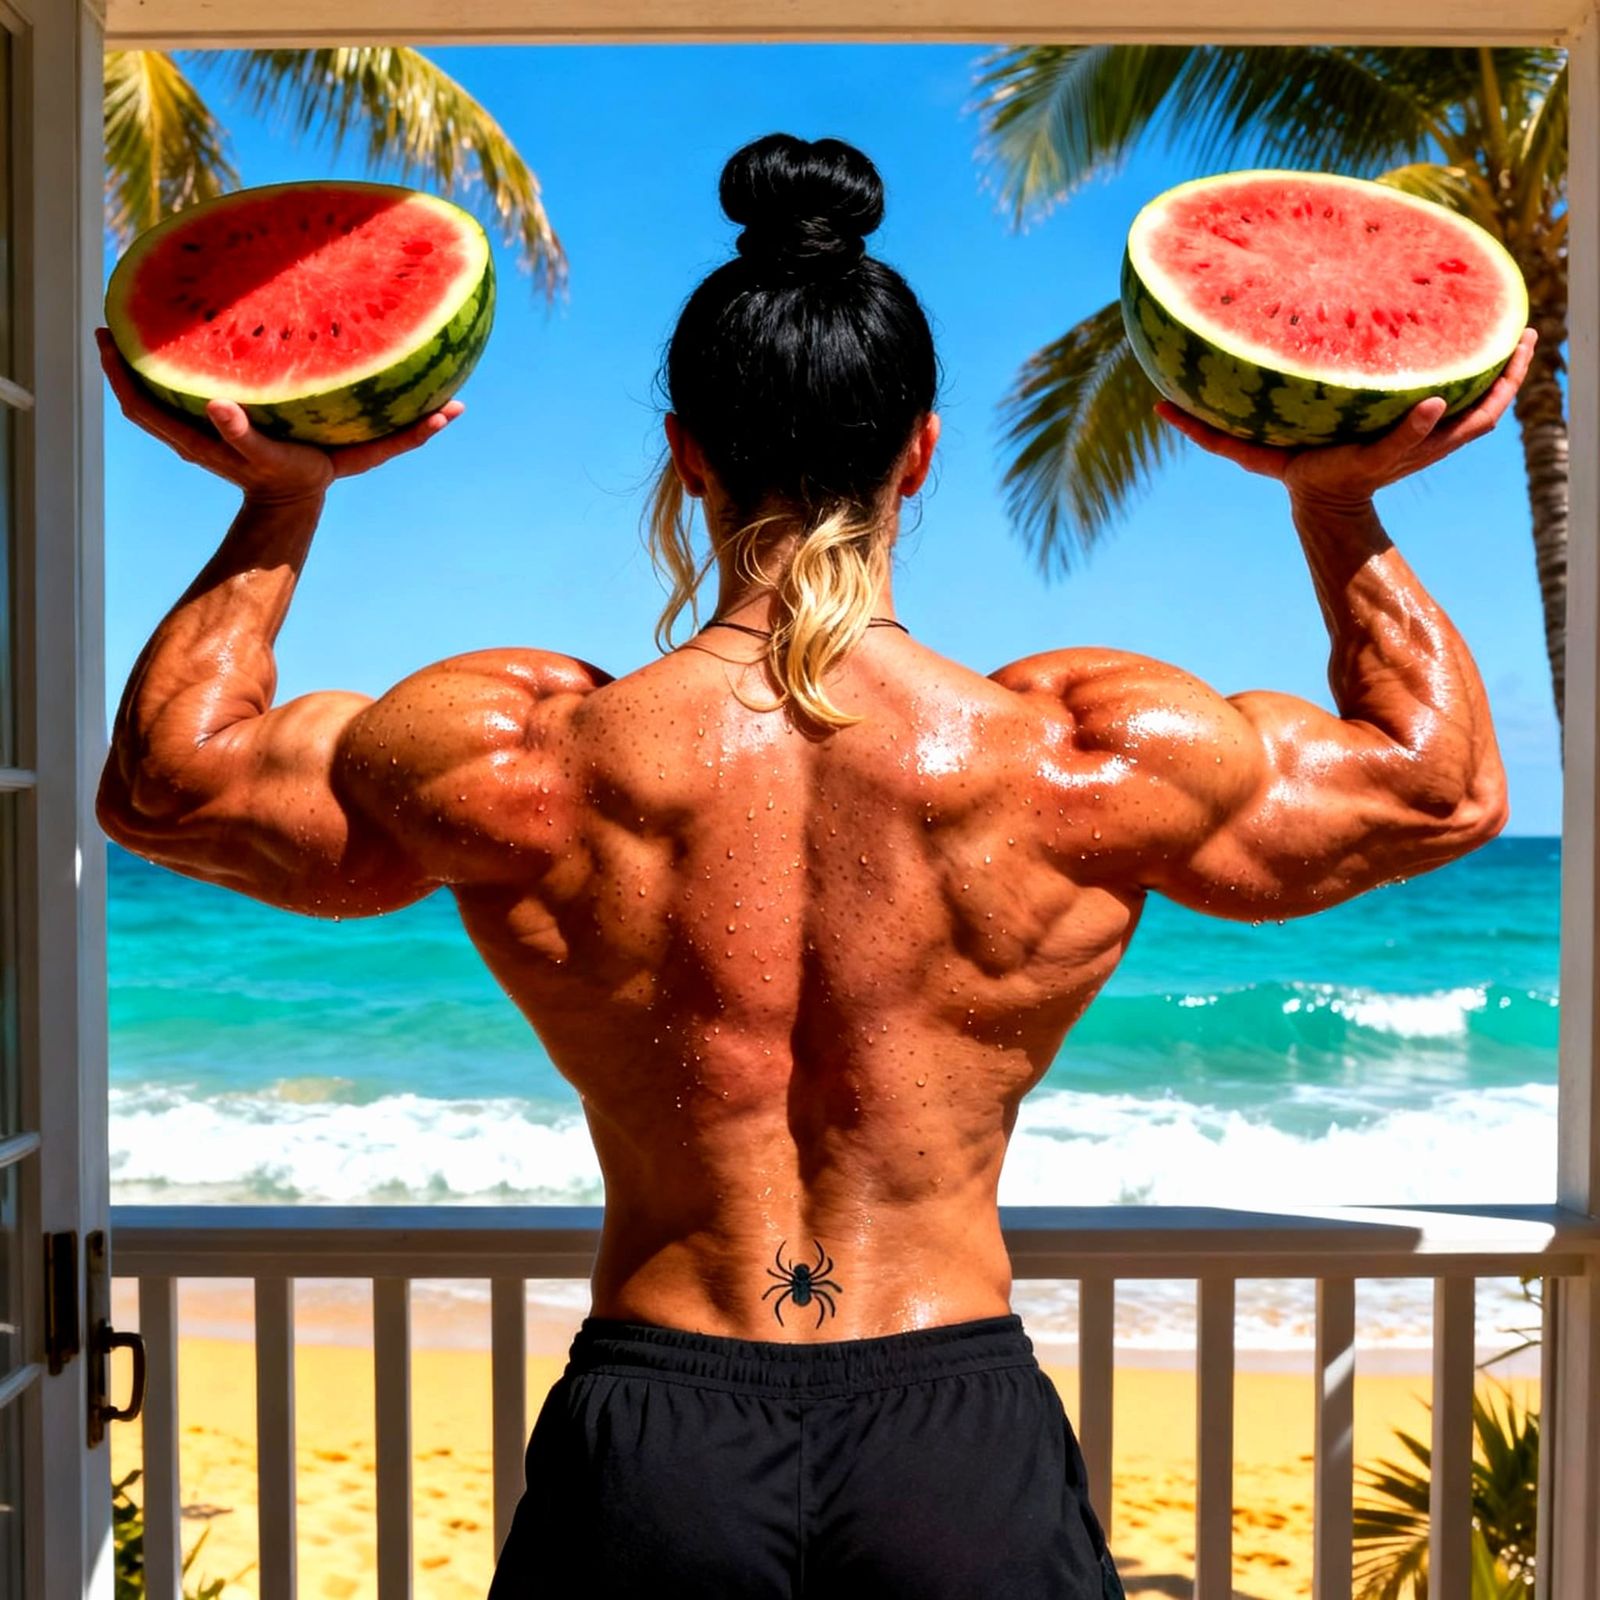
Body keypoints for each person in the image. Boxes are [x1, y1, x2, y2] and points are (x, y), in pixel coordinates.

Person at [97, 131, 1531, 1599]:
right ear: (920, 451)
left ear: (686, 454)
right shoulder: (1077, 757)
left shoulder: (526, 758)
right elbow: (1442, 790)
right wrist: (1335, 506)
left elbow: (165, 787)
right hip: (951, 1439)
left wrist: (280, 500)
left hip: (659, 1435)